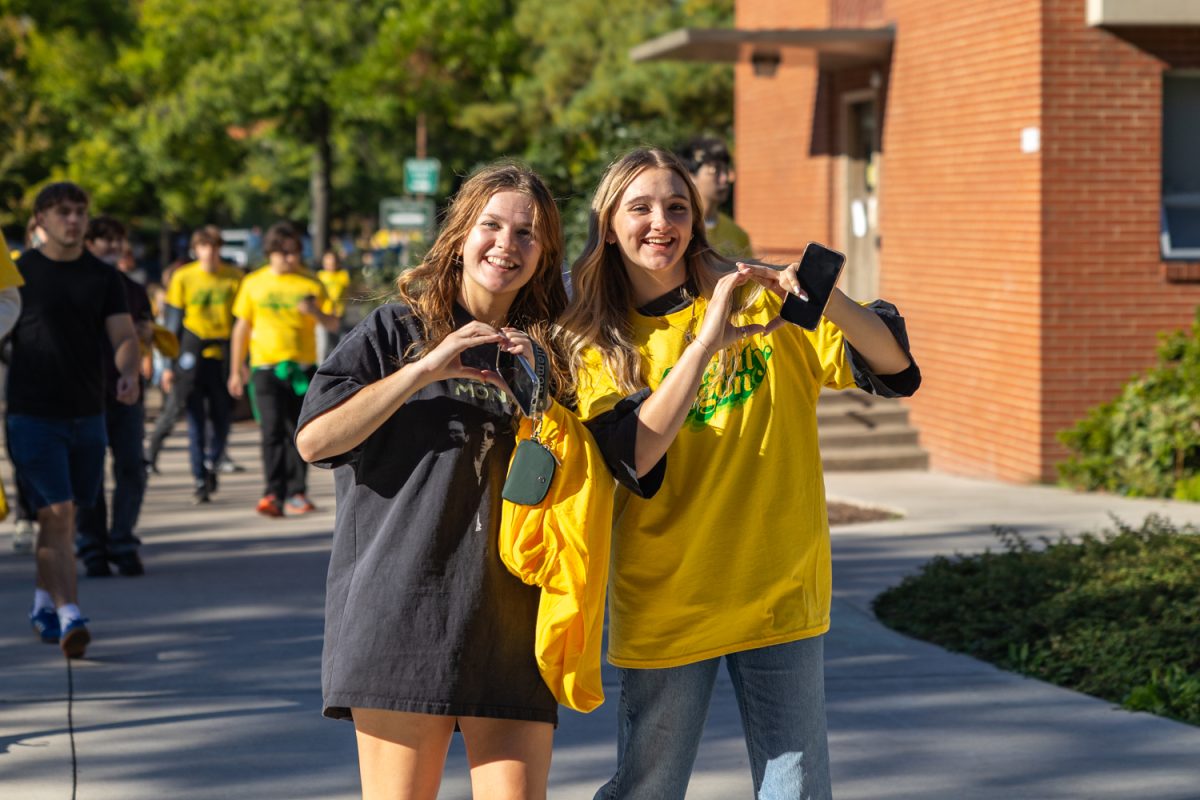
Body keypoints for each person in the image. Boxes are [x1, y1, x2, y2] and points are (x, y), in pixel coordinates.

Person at [559, 148, 921, 800]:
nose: (659, 222)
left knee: (797, 791)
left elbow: (896, 368)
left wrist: (826, 298)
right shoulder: (596, 343)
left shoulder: (763, 306)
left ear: (697, 221)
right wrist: (705, 344)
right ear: (608, 224)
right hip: (670, 599)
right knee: (649, 788)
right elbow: (634, 457)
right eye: (639, 208)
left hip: (779, 590)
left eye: (676, 207)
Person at [294, 162, 569, 800]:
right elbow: (315, 440)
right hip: (402, 611)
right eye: (491, 225)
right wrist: (426, 369)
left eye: (527, 234)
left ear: (544, 253)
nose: (507, 243)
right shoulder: (395, 331)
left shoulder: (551, 351)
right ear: (459, 236)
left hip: (513, 622)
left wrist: (548, 398)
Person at [8, 182, 140, 658]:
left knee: (59, 519)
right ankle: (71, 615)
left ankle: (43, 603)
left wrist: (128, 372)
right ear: (40, 218)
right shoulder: (16, 273)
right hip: (31, 415)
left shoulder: (103, 277)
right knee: (58, 513)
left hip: (89, 415)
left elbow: (124, 335)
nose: (74, 220)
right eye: (63, 212)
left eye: (80, 212)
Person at [228, 222, 337, 517]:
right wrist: (236, 369)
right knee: (271, 430)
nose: (291, 258)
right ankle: (273, 493)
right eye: (284, 253)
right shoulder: (253, 283)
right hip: (265, 367)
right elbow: (241, 328)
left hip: (301, 369)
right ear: (271, 253)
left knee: (299, 431)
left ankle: (297, 492)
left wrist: (314, 312)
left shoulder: (311, 283)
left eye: (295, 252)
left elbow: (333, 323)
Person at [74, 216, 155, 578]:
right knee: (88, 473)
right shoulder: (75, 284)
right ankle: (92, 547)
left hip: (127, 391)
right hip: (84, 392)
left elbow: (145, 332)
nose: (111, 247)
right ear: (88, 243)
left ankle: (122, 541)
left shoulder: (132, 289)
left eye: (116, 240)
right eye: (102, 240)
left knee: (131, 468)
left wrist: (144, 335)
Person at [156, 226, 244, 504]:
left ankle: (212, 459)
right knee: (194, 417)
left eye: (215, 247)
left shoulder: (234, 277)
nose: (210, 253)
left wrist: (241, 364)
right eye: (205, 247)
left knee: (222, 416)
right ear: (196, 250)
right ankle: (198, 477)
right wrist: (169, 364)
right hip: (191, 347)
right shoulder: (183, 277)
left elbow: (242, 323)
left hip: (222, 348)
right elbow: (172, 321)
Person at [677, 135, 753, 259]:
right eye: (715, 171)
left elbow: (752, 278)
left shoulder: (738, 234)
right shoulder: (677, 230)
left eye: (726, 171)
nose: (725, 179)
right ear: (690, 176)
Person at [315, 247, 350, 362]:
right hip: (323, 314)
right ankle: (319, 372)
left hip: (338, 315)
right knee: (323, 347)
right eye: (327, 263)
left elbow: (347, 293)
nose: (330, 265)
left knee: (338, 346)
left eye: (333, 262)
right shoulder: (319, 276)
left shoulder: (343, 275)